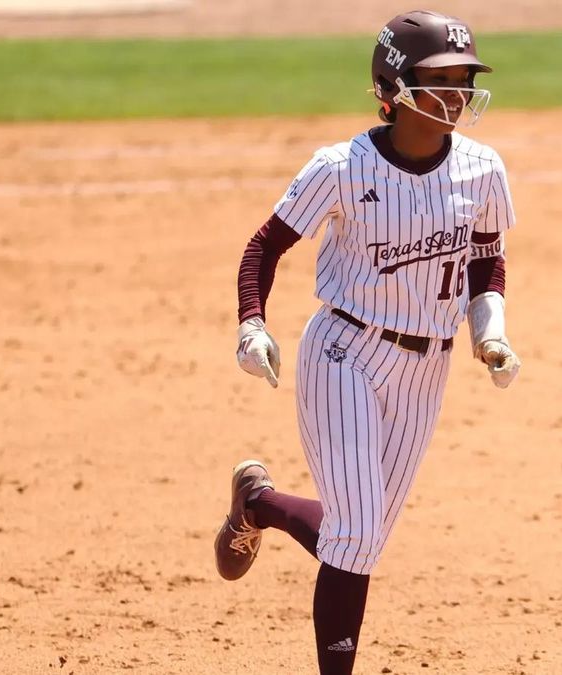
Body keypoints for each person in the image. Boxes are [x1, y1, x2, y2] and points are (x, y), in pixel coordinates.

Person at [216, 9, 520, 674]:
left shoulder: (483, 170)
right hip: (344, 353)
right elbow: (266, 246)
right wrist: (252, 321)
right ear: (397, 86)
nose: (459, 94)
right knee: (355, 534)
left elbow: (486, 261)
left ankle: (259, 502)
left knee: (363, 537)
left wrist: (489, 332)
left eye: (465, 79)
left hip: (428, 370)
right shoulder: (341, 168)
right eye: (443, 80)